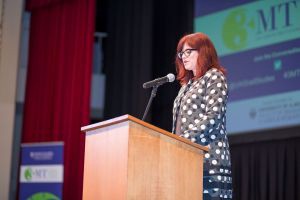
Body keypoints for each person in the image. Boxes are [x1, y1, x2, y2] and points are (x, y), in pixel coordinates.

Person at [172, 32, 232, 199]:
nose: (183, 57)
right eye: (181, 53)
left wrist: (183, 140)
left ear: (203, 51)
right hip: (183, 157)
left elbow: (213, 115)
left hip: (208, 160)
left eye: (188, 51)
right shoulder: (185, 86)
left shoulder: (214, 76)